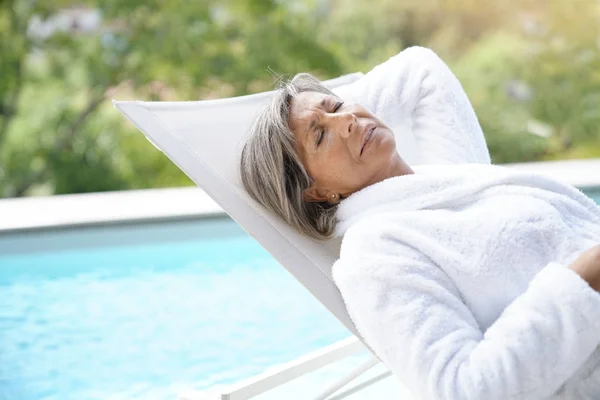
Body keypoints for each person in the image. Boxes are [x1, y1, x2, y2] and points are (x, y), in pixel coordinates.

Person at [239, 46, 600, 399]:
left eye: (337, 106)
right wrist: (586, 276)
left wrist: (328, 113)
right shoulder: (373, 253)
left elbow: (421, 70)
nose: (346, 120)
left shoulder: (452, 176)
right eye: (320, 135)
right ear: (314, 192)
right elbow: (460, 389)